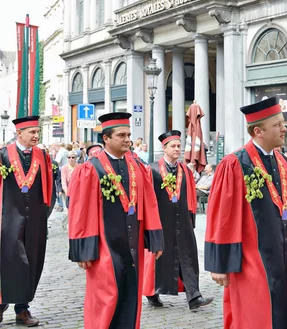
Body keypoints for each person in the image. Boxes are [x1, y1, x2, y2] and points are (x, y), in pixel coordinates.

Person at [204, 97, 287, 329]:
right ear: (258, 131)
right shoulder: (235, 164)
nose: (284, 129)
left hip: (284, 255)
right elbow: (222, 217)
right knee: (253, 315)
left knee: (281, 313)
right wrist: (219, 263)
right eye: (277, 124)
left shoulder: (284, 162)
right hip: (250, 258)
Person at [67, 112, 164, 329]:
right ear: (106, 139)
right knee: (105, 296)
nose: (127, 139)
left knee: (131, 293)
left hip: (133, 242)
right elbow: (81, 210)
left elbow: (149, 202)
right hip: (105, 245)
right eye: (121, 135)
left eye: (129, 134)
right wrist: (83, 250)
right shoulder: (91, 168)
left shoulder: (136, 166)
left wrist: (155, 238)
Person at [143, 130, 214, 310]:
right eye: (173, 146)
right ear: (164, 148)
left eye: (178, 146)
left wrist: (191, 220)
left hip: (182, 222)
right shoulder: (151, 170)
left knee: (187, 256)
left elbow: (190, 197)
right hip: (160, 222)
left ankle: (194, 296)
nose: (177, 149)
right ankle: (152, 293)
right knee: (158, 258)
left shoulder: (184, 171)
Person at [0, 116, 55, 326]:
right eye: (31, 132)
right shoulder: (3, 156)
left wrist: (44, 214)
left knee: (32, 261)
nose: (35, 136)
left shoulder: (43, 156)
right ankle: (2, 304)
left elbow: (49, 186)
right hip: (9, 218)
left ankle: (22, 309)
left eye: (37, 132)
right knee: (8, 262)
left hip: (35, 220)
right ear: (19, 133)